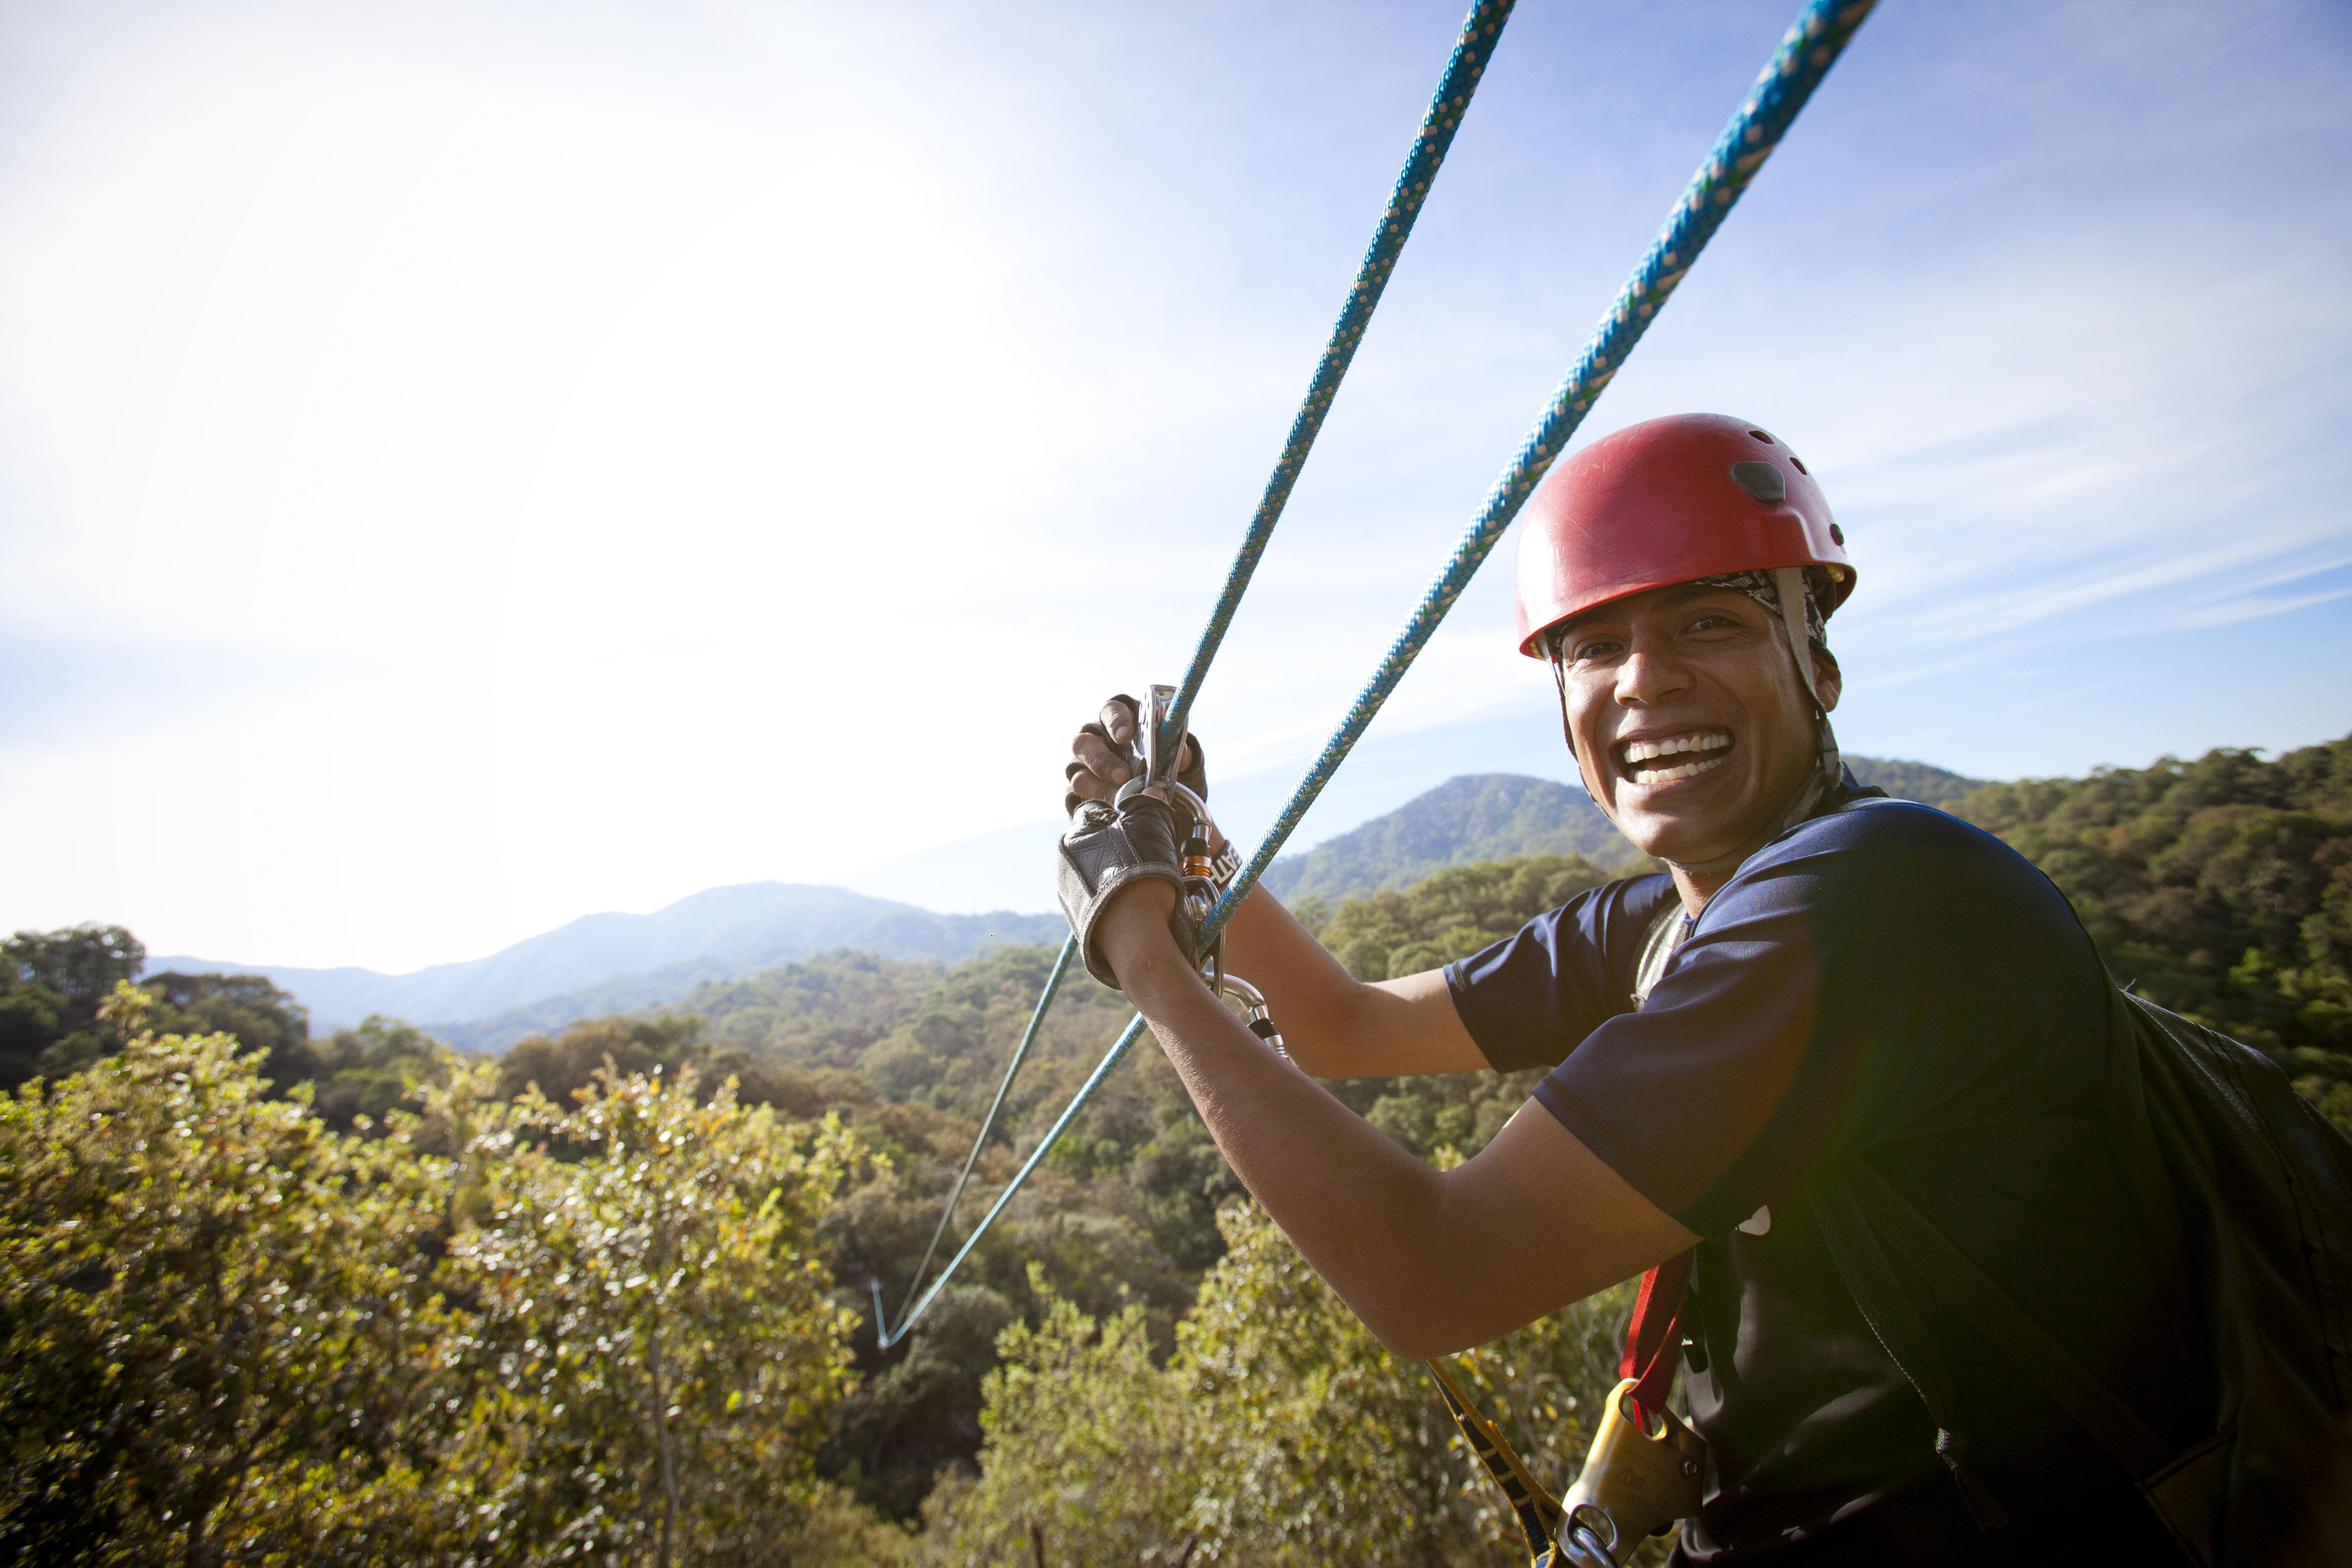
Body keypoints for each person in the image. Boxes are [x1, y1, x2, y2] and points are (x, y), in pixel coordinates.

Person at [1057, 413, 2208, 1565]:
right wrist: (1192, 840)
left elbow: (1432, 1275)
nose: (1643, 681)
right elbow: (1341, 1025)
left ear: (1818, 662)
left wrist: (1143, 954)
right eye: (1593, 647)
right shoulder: (1660, 926)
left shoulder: (1867, 904)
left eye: (1708, 620)